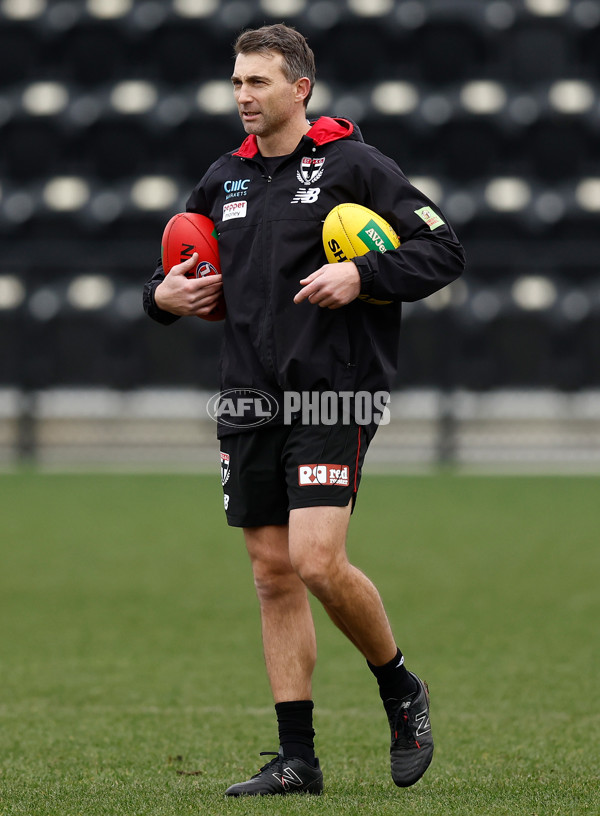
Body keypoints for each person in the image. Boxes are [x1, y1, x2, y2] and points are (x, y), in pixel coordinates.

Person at [144, 23, 465, 796]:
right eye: (236, 82)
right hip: (248, 396)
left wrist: (364, 274)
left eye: (258, 82)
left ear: (301, 88)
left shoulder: (355, 163)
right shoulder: (223, 179)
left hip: (333, 388)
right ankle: (297, 759)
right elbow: (174, 273)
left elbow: (443, 249)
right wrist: (162, 298)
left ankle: (399, 687)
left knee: (317, 560)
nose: (243, 96)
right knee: (271, 574)